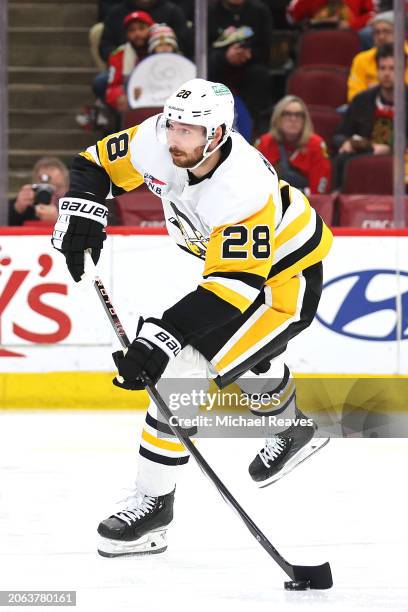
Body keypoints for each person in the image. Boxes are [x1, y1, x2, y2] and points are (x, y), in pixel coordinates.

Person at [51, 78, 333, 557]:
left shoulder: (243, 186)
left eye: (189, 131)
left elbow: (232, 291)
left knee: (181, 370)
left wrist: (161, 340)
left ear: (218, 134)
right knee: (246, 358)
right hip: (236, 275)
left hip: (281, 286)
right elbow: (95, 163)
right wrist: (83, 214)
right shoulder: (158, 139)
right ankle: (292, 426)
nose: (175, 139)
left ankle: (153, 506)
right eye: (173, 125)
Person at [334, 44, 408, 188]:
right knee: (342, 159)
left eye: (392, 69)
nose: (387, 73)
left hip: (403, 164)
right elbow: (339, 135)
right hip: (366, 159)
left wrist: (390, 148)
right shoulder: (361, 100)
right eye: (382, 68)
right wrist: (346, 143)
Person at [208, 0, 274, 121]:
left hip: (250, 64)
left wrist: (247, 54)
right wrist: (225, 57)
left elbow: (266, 48)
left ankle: (254, 125)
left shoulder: (260, 11)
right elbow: (201, 50)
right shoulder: (209, 12)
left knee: (260, 74)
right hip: (218, 67)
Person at [255, 95, 331, 194]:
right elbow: (254, 181)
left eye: (298, 115)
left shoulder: (316, 144)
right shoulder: (264, 143)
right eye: (287, 114)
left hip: (306, 203)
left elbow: (319, 189)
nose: (293, 119)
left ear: (305, 119)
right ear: (278, 118)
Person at [347, 11, 408, 101]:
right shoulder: (361, 59)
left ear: (400, 33)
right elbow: (353, 96)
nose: (381, 37)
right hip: (368, 108)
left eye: (386, 31)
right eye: (377, 32)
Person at [105, 10, 155, 111]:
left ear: (151, 29)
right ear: (126, 34)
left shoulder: (162, 51)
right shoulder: (119, 55)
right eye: (132, 30)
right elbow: (112, 88)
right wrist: (120, 97)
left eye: (142, 28)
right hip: (132, 101)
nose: (137, 33)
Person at [9, 157, 69, 226]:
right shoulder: (27, 204)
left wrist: (58, 219)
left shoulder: (74, 203)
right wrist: (17, 208)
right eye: (43, 187)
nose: (47, 193)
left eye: (51, 169)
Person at [286, 0, 375, 31]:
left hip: (351, 35)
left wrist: (352, 25)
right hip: (317, 37)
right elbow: (292, 17)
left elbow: (372, 14)